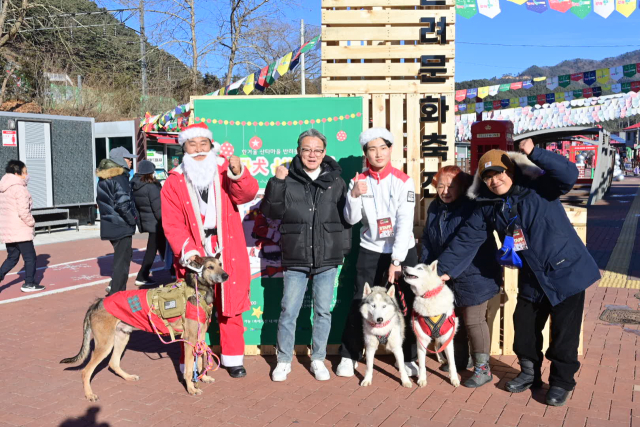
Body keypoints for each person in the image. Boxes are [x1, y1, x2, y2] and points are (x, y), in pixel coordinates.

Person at [435, 139, 601, 406]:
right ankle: (529, 373)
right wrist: (442, 270)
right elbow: (466, 239)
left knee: (564, 335)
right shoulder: (488, 205)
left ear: (510, 171)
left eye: (499, 172)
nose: (494, 179)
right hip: (533, 277)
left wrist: (535, 153)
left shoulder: (540, 187)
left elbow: (568, 174)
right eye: (487, 176)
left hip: (566, 272)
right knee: (523, 328)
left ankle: (561, 382)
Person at [161, 122, 258, 378]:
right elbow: (172, 222)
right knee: (192, 308)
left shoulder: (225, 169)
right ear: (184, 147)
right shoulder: (174, 180)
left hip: (227, 247)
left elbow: (247, 194)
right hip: (194, 250)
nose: (198, 149)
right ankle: (192, 361)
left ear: (211, 145)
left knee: (231, 305)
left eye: (204, 143)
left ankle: (233, 359)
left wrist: (239, 172)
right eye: (192, 144)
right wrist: (188, 251)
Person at [262, 129, 351, 382]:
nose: (312, 154)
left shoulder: (336, 180)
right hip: (295, 253)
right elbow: (271, 212)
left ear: (324, 153)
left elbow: (346, 218)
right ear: (298, 150)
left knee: (323, 311)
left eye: (317, 150)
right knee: (288, 310)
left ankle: (318, 359)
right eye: (306, 149)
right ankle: (283, 360)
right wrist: (277, 182)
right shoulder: (286, 177)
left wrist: (340, 249)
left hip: (327, 256)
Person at [336, 127, 419, 378]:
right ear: (365, 153)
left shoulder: (404, 181)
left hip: (402, 249)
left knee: (407, 302)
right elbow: (350, 220)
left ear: (391, 150)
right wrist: (353, 195)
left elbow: (405, 221)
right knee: (360, 301)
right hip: (370, 248)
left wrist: (397, 260)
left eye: (383, 148)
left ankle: (408, 356)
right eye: (372, 149)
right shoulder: (358, 180)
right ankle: (349, 355)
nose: (378, 153)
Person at [420, 165, 501, 388]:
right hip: (446, 274)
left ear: (462, 187)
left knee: (474, 320)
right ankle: (461, 359)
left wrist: (441, 271)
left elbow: (464, 245)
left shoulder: (472, 207)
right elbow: (428, 238)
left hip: (476, 272)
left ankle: (483, 368)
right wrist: (427, 268)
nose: (445, 190)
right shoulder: (435, 207)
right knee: (455, 319)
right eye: (441, 185)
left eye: (451, 186)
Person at [97, 148, 138, 296]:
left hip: (110, 224)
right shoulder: (120, 178)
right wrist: (132, 220)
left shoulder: (104, 178)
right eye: (128, 158)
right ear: (121, 160)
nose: (131, 160)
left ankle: (114, 287)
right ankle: (116, 295)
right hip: (121, 225)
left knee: (120, 259)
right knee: (122, 263)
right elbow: (123, 204)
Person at [0, 160, 43, 292]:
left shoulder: (4, 187)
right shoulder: (19, 189)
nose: (27, 175)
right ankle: (29, 283)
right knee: (30, 258)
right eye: (25, 172)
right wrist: (31, 222)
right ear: (17, 173)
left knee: (12, 258)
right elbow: (23, 211)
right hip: (20, 229)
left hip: (9, 229)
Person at [131, 160, 166, 286]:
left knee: (163, 246)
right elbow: (158, 207)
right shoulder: (151, 187)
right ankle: (142, 275)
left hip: (147, 220)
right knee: (152, 250)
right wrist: (164, 221)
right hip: (156, 222)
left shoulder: (136, 185)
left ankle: (172, 269)